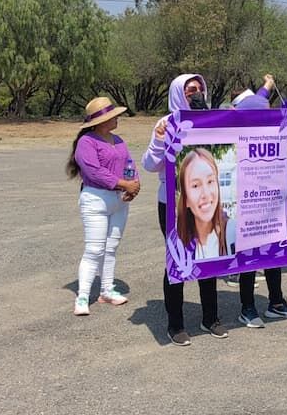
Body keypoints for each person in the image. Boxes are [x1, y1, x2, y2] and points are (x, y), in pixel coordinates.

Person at [142, 74, 226, 345]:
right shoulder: (166, 123)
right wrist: (159, 140)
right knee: (178, 260)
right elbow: (150, 164)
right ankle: (175, 324)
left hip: (207, 201)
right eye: (190, 90)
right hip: (173, 203)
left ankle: (210, 317)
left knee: (209, 256)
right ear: (179, 93)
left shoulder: (212, 120)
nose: (196, 93)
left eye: (200, 88)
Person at [231, 85, 287, 327]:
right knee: (248, 259)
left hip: (273, 206)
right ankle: (247, 308)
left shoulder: (278, 135)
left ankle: (277, 303)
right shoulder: (234, 137)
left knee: (274, 254)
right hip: (247, 209)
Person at [67, 96, 141, 316]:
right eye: (112, 116)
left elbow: (129, 164)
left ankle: (107, 290)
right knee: (94, 250)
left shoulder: (118, 140)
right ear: (100, 121)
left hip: (118, 200)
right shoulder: (87, 142)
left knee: (111, 248)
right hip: (96, 200)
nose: (117, 118)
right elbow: (94, 171)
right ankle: (82, 296)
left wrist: (134, 185)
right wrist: (124, 184)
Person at [176, 148, 232, 260]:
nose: (205, 194)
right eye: (195, 185)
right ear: (185, 199)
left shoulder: (232, 233)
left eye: (210, 181)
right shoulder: (179, 242)